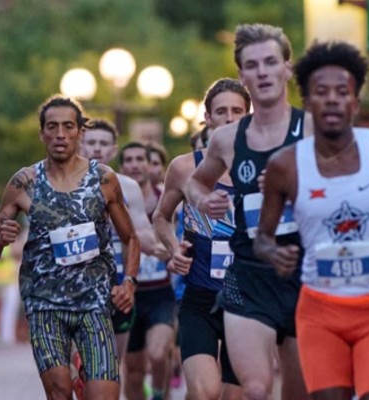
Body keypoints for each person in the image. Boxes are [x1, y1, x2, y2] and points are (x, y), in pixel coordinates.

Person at [253, 40, 369, 400]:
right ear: (307, 102)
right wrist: (273, 253)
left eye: (342, 92)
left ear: (355, 103)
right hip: (320, 311)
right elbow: (262, 238)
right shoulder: (286, 165)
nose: (331, 100)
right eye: (320, 92)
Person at [0, 96, 139, 400]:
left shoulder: (103, 179)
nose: (60, 134)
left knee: (104, 395)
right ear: (42, 134)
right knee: (60, 391)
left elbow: (130, 237)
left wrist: (129, 282)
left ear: (80, 132)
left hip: (94, 301)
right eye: (52, 127)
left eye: (68, 126)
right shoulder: (24, 182)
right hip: (45, 304)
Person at [182, 23, 309, 400]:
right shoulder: (226, 139)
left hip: (304, 272)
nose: (262, 72)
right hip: (249, 274)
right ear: (242, 75)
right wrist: (203, 200)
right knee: (253, 389)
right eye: (252, 65)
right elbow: (195, 183)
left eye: (271, 62)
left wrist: (296, 183)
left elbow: (348, 188)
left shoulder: (312, 129)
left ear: (287, 68)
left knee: (302, 392)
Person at [153, 78, 249, 400]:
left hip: (248, 302)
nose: (229, 117)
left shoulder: (265, 167)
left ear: (248, 116)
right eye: (221, 111)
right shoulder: (184, 167)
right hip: (199, 298)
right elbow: (161, 217)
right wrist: (173, 249)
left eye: (237, 111)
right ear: (207, 117)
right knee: (205, 391)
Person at [78, 119, 162, 365]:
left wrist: (172, 252)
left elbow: (144, 237)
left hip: (115, 288)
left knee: (111, 367)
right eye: (91, 142)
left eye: (103, 143)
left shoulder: (127, 187)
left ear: (114, 150)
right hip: (75, 288)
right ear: (80, 145)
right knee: (78, 368)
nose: (97, 148)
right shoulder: (64, 185)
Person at [117, 142, 173, 400]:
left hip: (161, 293)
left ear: (150, 165)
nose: (135, 165)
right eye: (128, 160)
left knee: (159, 354)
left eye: (140, 159)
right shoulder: (114, 198)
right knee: (134, 372)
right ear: (121, 167)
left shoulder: (167, 198)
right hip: (129, 294)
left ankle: (160, 394)